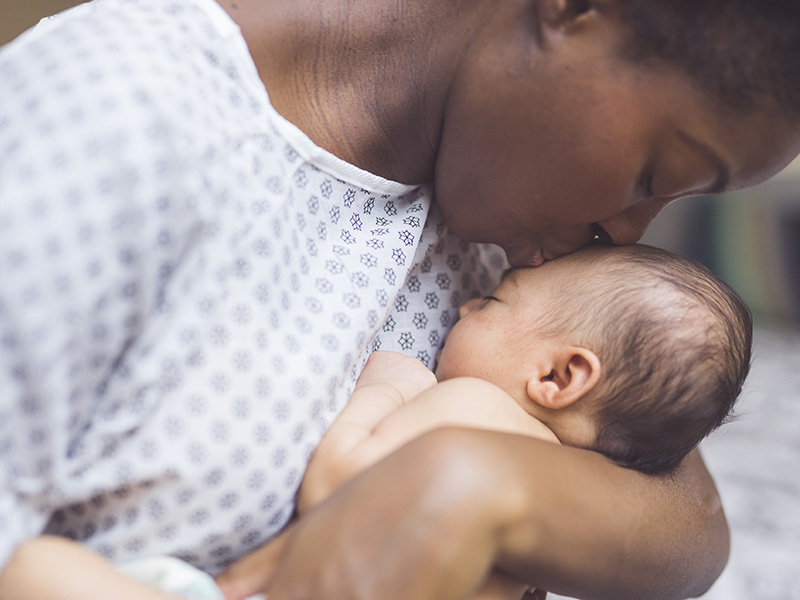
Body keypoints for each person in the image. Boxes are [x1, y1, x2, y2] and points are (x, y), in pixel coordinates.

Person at [1, 0, 799, 597]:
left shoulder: (510, 220)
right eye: (651, 178)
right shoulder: (114, 121)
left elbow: (690, 519)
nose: (626, 232)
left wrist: (476, 483)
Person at [0, 243, 752, 600]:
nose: (463, 303)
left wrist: (390, 383)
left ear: (557, 378)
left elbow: (336, 484)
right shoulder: (574, 491)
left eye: (495, 302)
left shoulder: (479, 410)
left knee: (34, 569)